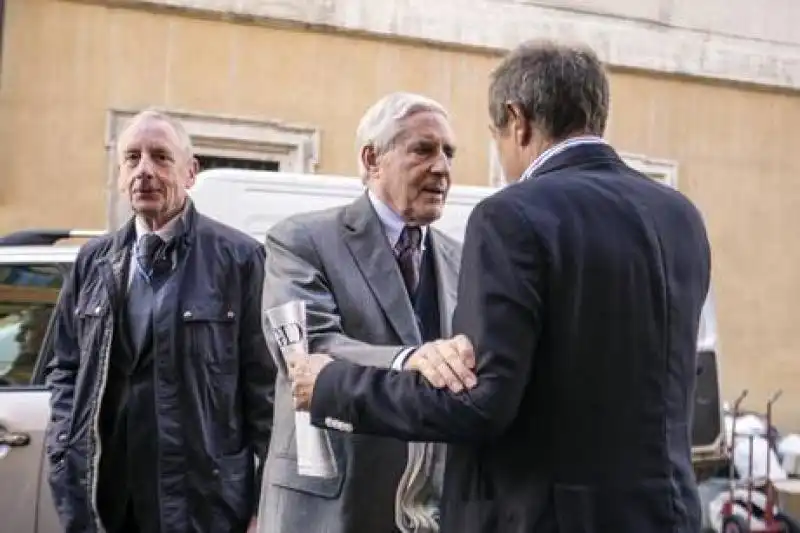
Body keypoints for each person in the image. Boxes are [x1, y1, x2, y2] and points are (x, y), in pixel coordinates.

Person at [290, 41, 711, 533]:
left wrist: (332, 387)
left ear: (518, 120)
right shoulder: (680, 216)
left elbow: (479, 402)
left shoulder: (512, 214)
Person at [44, 109, 275, 533]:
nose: (144, 171)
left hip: (200, 501)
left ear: (190, 173)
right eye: (132, 158)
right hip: (105, 496)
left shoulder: (239, 259)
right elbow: (66, 367)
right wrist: (63, 449)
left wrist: (263, 503)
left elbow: (265, 389)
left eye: (160, 157)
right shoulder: (93, 262)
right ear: (119, 174)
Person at [257, 92, 475, 533]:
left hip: (432, 512)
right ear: (372, 158)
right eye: (423, 149)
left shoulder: (461, 259)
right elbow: (308, 350)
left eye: (448, 153)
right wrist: (407, 359)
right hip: (330, 506)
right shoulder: (301, 240)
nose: (442, 168)